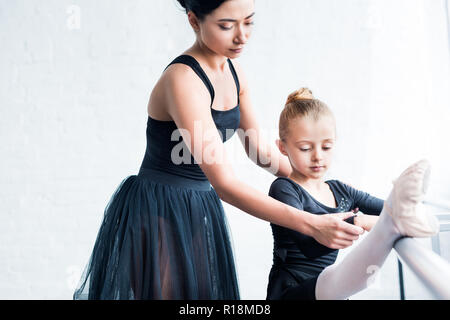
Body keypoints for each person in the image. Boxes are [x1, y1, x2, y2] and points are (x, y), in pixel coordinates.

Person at [73, 0, 366, 300]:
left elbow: (259, 151)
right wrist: (313, 222)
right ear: (194, 21)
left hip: (199, 205)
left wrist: (314, 182)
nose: (242, 36)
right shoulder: (183, 80)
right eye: (227, 26)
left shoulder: (234, 71)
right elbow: (225, 183)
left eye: (248, 22)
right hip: (159, 207)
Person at [266, 87, 440, 300]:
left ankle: (408, 219)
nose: (318, 157)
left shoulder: (340, 191)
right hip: (293, 290)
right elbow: (310, 247)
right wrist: (359, 221)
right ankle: (392, 225)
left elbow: (388, 208)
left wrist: (386, 216)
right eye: (305, 148)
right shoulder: (284, 188)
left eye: (327, 147)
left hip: (333, 288)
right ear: (282, 147)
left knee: (398, 214)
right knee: (333, 279)